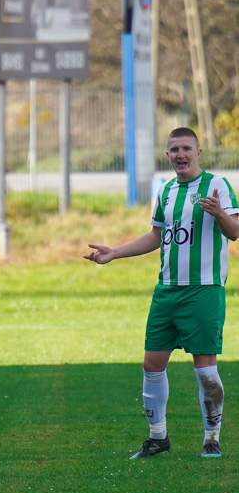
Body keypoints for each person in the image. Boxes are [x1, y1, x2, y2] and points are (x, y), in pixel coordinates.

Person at [85, 127, 239, 459]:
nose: (180, 154)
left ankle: (211, 438)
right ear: (167, 154)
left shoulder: (217, 185)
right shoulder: (167, 190)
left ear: (199, 153)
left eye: (186, 148)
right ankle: (158, 438)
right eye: (173, 149)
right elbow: (156, 236)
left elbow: (235, 232)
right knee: (151, 364)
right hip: (166, 291)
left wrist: (220, 215)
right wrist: (115, 252)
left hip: (203, 290)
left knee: (206, 370)